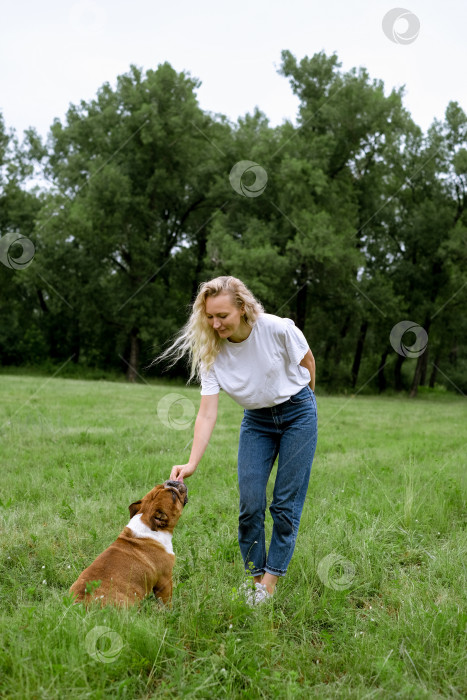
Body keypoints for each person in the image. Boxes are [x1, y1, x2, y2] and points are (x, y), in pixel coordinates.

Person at [160, 276, 318, 605]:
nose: (216, 324)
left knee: (284, 504)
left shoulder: (277, 328)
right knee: (250, 504)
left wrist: (305, 413)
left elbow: (307, 364)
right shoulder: (212, 352)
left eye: (223, 316)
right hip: (257, 421)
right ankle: (256, 579)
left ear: (243, 309)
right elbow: (206, 414)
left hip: (297, 415)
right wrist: (192, 463)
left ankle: (269, 585)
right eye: (210, 316)